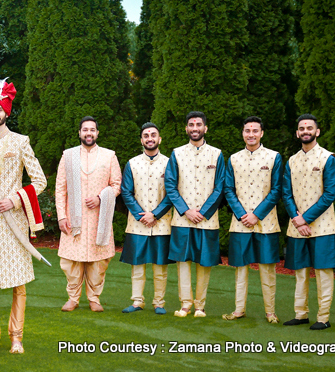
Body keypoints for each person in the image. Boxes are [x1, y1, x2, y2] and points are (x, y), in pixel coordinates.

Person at [0, 78, 46, 354]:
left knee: (18, 284)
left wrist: (15, 199)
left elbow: (39, 181)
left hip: (14, 223)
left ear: (6, 112)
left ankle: (17, 337)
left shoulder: (21, 142)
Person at [55, 116, 121, 313]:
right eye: (85, 130)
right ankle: (73, 298)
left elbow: (116, 185)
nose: (89, 133)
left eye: (92, 130)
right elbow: (60, 188)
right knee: (71, 261)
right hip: (72, 217)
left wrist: (101, 198)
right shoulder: (68, 155)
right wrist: (61, 216)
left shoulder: (109, 156)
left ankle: (94, 298)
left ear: (97, 133)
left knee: (97, 262)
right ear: (79, 133)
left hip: (98, 218)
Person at [222, 116, 282, 324]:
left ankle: (270, 312)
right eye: (247, 131)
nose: (251, 134)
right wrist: (242, 214)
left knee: (268, 268)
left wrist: (257, 214)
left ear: (262, 133)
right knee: (241, 268)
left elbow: (277, 190)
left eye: (255, 131)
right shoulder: (234, 158)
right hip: (240, 223)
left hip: (267, 222)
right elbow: (228, 189)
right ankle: (239, 309)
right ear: (243, 133)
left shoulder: (274, 157)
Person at [165, 111, 225, 318]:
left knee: (204, 262)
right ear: (186, 129)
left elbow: (220, 187)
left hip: (208, 220)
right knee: (183, 262)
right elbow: (170, 186)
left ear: (205, 128)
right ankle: (185, 304)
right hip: (182, 219)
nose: (195, 128)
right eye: (191, 125)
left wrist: (204, 212)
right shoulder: (177, 153)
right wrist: (186, 211)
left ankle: (200, 305)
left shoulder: (217, 154)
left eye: (198, 124)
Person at [282, 114, 335, 330]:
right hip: (296, 226)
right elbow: (286, 193)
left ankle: (323, 318)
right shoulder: (292, 160)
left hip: (323, 227)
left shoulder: (328, 158)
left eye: (309, 128)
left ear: (317, 131)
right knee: (300, 272)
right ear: (297, 133)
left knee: (324, 273)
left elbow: (329, 194)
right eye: (301, 128)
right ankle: (301, 314)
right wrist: (297, 219)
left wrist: (305, 218)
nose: (305, 131)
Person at [119, 122, 173, 315]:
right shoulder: (132, 163)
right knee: (137, 264)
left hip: (162, 223)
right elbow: (126, 192)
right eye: (146, 135)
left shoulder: (169, 163)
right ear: (141, 140)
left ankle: (159, 302)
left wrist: (155, 214)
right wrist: (141, 215)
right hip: (137, 223)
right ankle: (137, 301)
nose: (150, 138)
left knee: (160, 265)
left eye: (153, 135)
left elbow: (172, 192)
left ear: (159, 139)